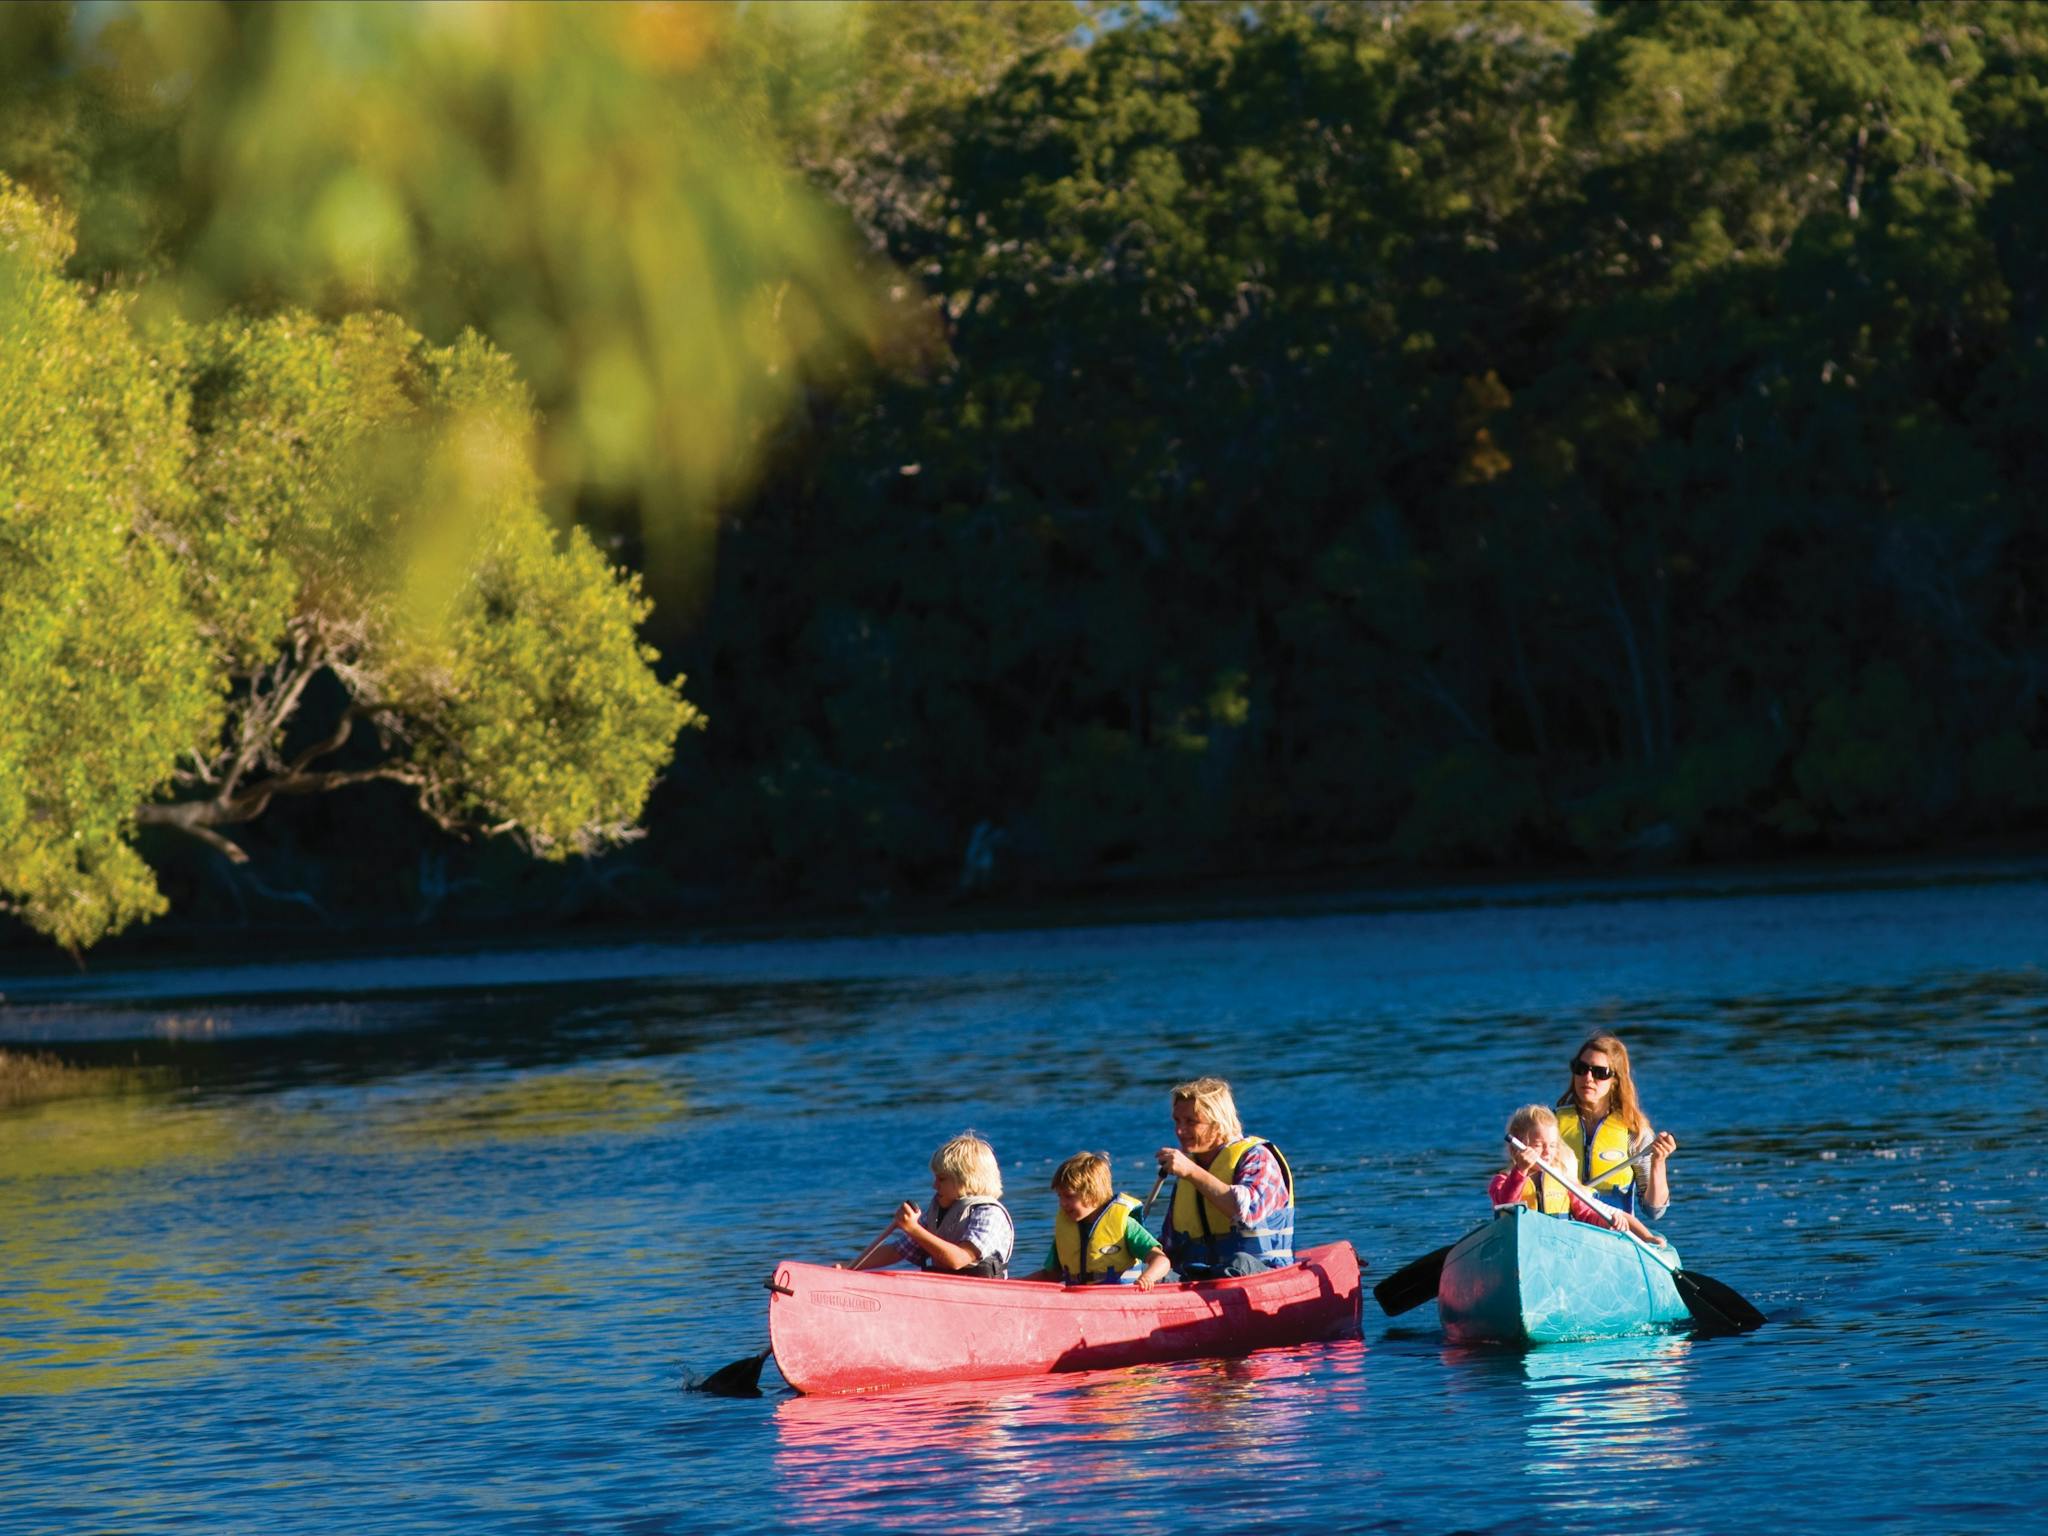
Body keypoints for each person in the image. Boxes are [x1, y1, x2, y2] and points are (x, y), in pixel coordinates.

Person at [1154, 1076, 1295, 1279]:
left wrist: (1192, 1172)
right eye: (1177, 1121)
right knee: (1152, 1271)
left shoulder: (1257, 1157)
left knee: (1239, 1261)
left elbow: (1246, 1213)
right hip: (1199, 1275)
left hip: (1259, 1273)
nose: (1179, 1131)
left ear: (1218, 1122)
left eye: (1191, 1122)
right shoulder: (1188, 1170)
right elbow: (1169, 1244)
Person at [1490, 1104, 1665, 1245]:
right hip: (1522, 1244)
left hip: (1558, 1245)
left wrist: (1606, 1222)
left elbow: (1585, 1213)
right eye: (1538, 1145)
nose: (1546, 1152)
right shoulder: (1502, 1181)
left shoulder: (1561, 1180)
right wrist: (1520, 1172)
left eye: (1551, 1145)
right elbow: (1506, 1203)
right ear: (1516, 1147)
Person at [850, 1130, 1015, 1278]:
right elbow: (896, 1251)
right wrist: (848, 1268)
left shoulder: (989, 1214)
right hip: (947, 1293)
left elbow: (958, 1259)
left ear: (966, 1180)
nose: (934, 1185)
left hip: (980, 1296)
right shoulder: (937, 1212)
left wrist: (914, 1229)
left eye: (941, 1179)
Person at [1556, 1033, 1677, 1221]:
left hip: (1612, 1229)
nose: (1587, 1078)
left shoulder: (1634, 1132)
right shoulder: (1550, 1125)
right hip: (1560, 1226)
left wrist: (1658, 1162)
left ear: (1615, 1081)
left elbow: (1654, 1211)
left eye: (1599, 1073)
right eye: (1581, 1069)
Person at [1023, 1151, 1173, 1288]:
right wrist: (1013, 1284)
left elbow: (1161, 1261)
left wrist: (1148, 1277)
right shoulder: (1067, 1228)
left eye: (1069, 1196)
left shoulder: (1125, 1225)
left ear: (1093, 1194)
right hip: (1080, 1300)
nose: (1062, 1203)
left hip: (1120, 1300)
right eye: (1059, 1196)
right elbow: (1050, 1275)